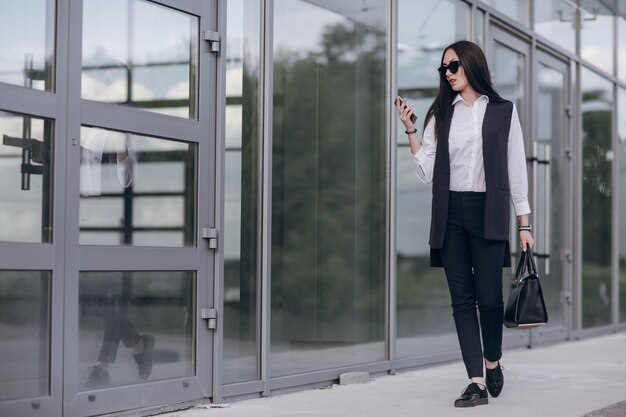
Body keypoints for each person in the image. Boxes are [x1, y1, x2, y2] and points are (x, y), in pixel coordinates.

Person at [395, 40, 534, 407]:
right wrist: (410, 130)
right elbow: (426, 171)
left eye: (453, 66)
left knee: (489, 299)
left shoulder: (504, 112)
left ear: (472, 65)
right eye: (443, 69)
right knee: (462, 300)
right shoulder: (441, 114)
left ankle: (492, 361)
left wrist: (524, 223)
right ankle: (476, 381)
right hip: (450, 213)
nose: (448, 74)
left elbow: (515, 169)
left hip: (488, 210)